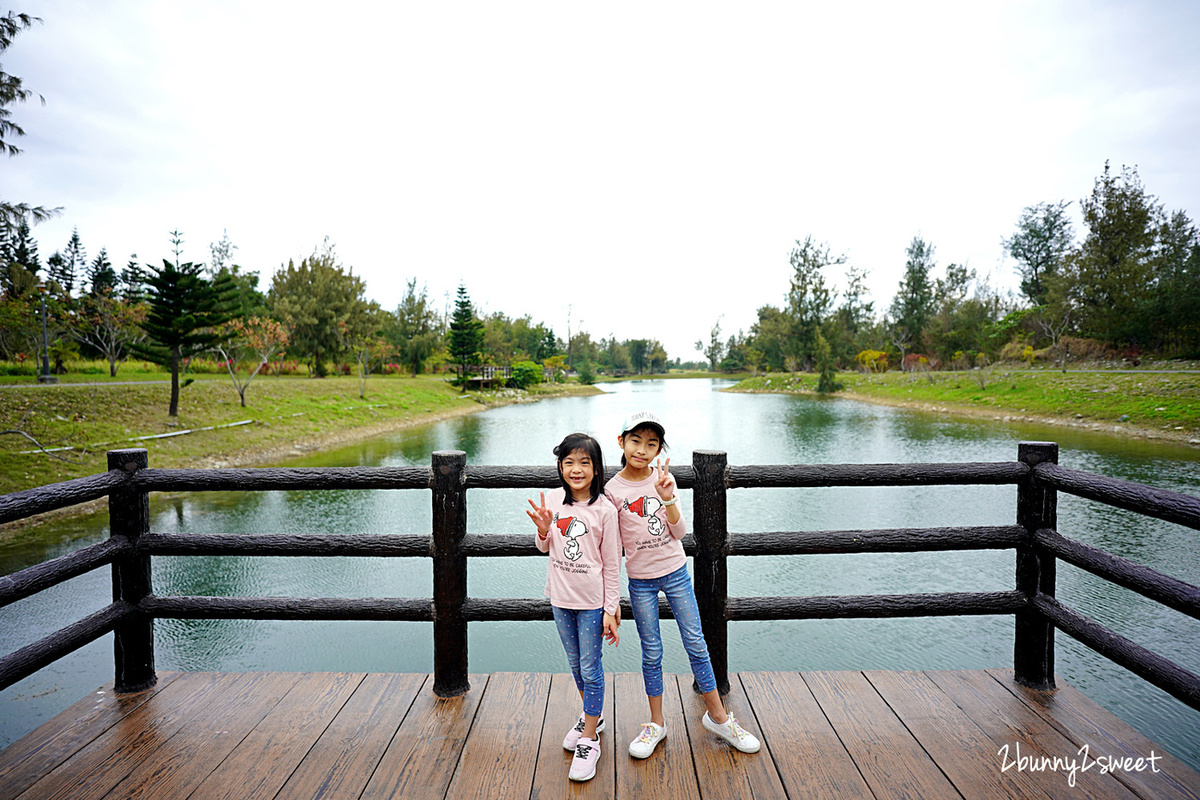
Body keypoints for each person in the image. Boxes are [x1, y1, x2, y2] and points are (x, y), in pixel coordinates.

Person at [605, 411, 760, 759]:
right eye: (636, 441)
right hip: (640, 581)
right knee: (652, 651)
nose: (642, 450)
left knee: (695, 641)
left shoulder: (663, 479)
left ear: (659, 449)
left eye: (651, 444)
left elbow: (678, 532)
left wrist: (668, 497)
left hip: (675, 572)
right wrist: (610, 599)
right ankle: (656, 724)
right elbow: (613, 548)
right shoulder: (612, 491)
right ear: (621, 442)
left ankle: (718, 717)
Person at [527, 432, 621, 782]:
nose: (576, 469)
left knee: (591, 666)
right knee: (575, 665)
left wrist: (611, 608)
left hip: (593, 603)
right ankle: (592, 714)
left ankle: (589, 736)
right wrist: (541, 530)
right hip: (560, 598)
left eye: (584, 462)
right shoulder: (553, 499)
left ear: (597, 468)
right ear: (560, 466)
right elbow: (544, 546)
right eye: (569, 462)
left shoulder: (605, 510)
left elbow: (612, 564)